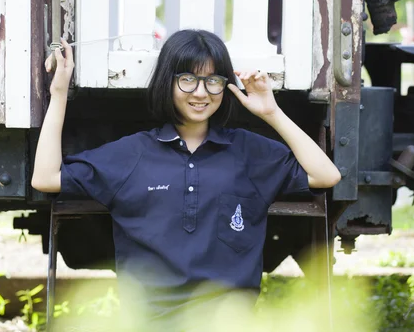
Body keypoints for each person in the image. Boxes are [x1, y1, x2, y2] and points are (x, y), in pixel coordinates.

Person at [32, 29, 341, 330]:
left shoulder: (249, 151)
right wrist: (58, 94)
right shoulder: (133, 153)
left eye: (213, 81)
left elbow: (326, 175)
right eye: (188, 79)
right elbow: (45, 178)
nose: (201, 92)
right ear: (168, 82)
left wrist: (272, 112)